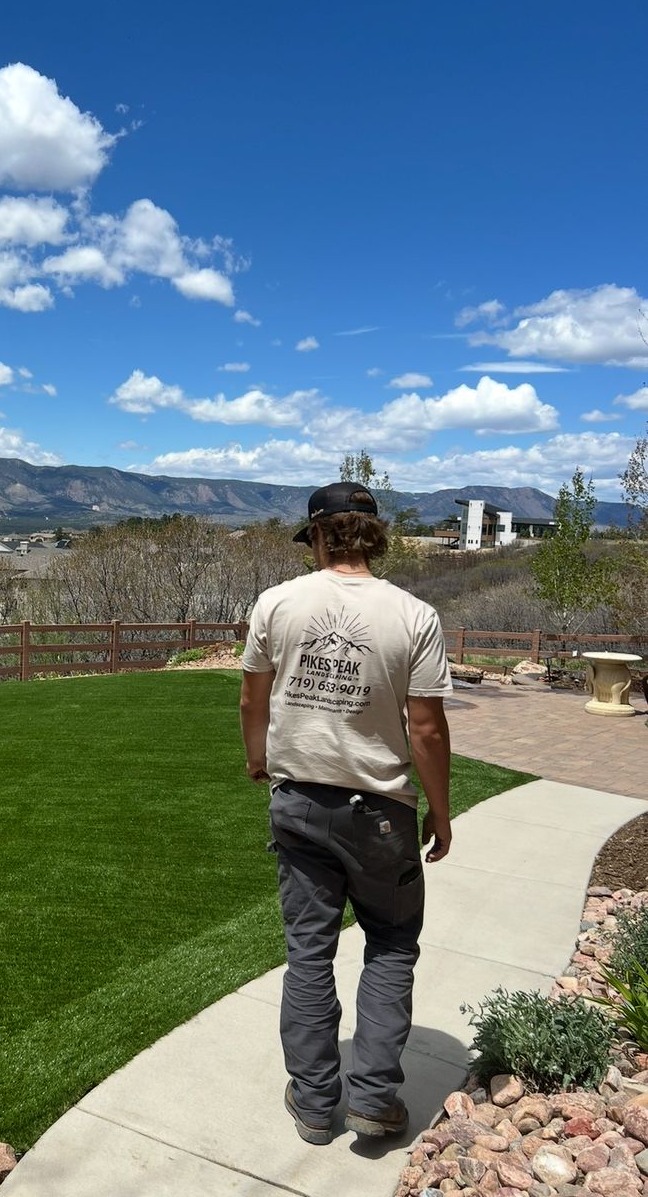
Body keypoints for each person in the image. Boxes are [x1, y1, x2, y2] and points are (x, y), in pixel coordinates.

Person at [239, 481, 452, 1146]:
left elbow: (253, 699)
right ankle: (374, 1101)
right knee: (389, 943)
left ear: (318, 537)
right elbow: (427, 731)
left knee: (309, 953)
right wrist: (441, 813)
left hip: (298, 801)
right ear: (375, 537)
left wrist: (258, 759)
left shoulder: (276, 604)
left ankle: (312, 1102)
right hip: (381, 812)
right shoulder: (414, 616)